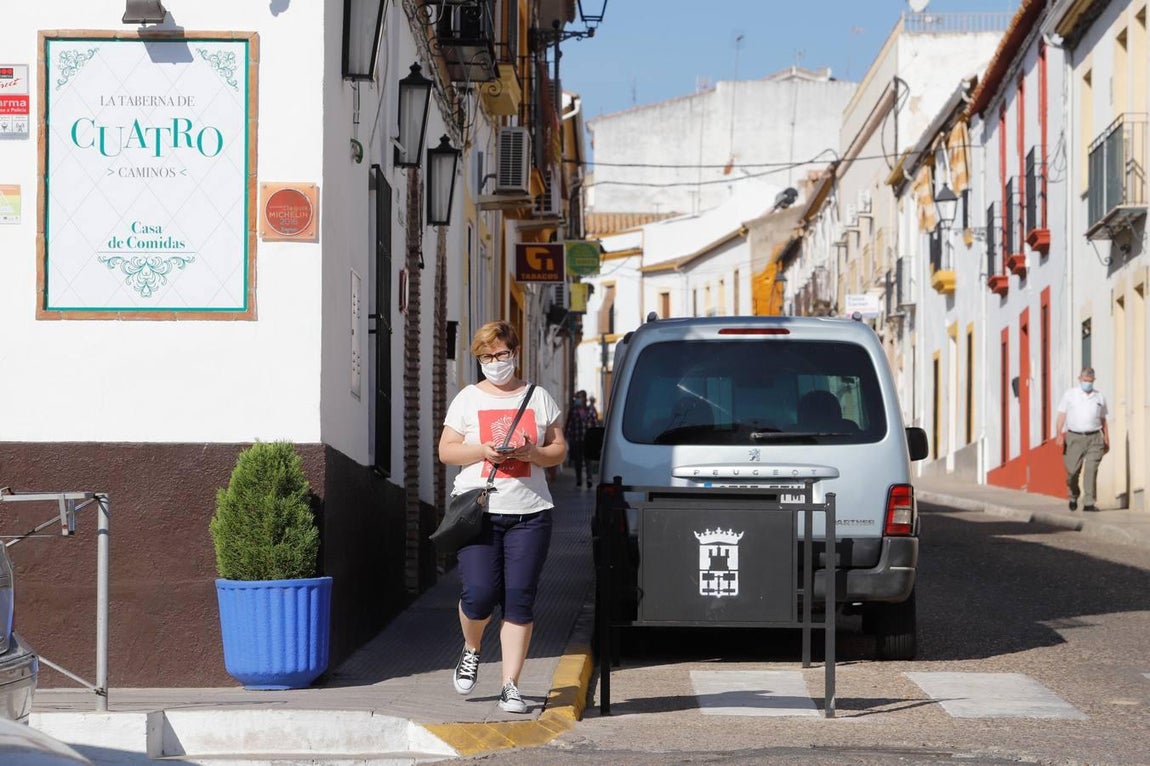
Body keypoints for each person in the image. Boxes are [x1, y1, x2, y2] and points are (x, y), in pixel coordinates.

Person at [437, 321, 567, 714]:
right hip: (479, 511)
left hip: (530, 512)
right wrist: (483, 450)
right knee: (478, 594)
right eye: (487, 356)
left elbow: (559, 448)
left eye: (502, 354)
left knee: (519, 600)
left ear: (515, 353)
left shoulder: (538, 397)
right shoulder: (468, 398)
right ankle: (472, 648)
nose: (495, 362)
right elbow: (446, 450)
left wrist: (533, 453)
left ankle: (511, 685)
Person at [1055, 367, 1109, 512]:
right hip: (1074, 437)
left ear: (1094, 380)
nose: (1088, 383)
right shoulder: (1070, 395)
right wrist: (1059, 433)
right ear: (1080, 379)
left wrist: (1106, 439)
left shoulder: (1099, 397)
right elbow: (1061, 415)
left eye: (1090, 381)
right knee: (1072, 471)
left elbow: (1103, 419)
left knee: (1091, 469)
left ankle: (1089, 502)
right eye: (1085, 380)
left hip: (1094, 437)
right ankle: (1073, 495)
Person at [563, 390, 598, 489]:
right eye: (577, 398)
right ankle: (579, 480)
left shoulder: (591, 410)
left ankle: (589, 479)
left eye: (579, 397)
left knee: (588, 460)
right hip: (576, 439)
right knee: (578, 460)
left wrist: (595, 438)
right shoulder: (573, 410)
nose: (577, 399)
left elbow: (595, 424)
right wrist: (565, 437)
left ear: (584, 398)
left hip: (587, 440)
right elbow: (569, 424)